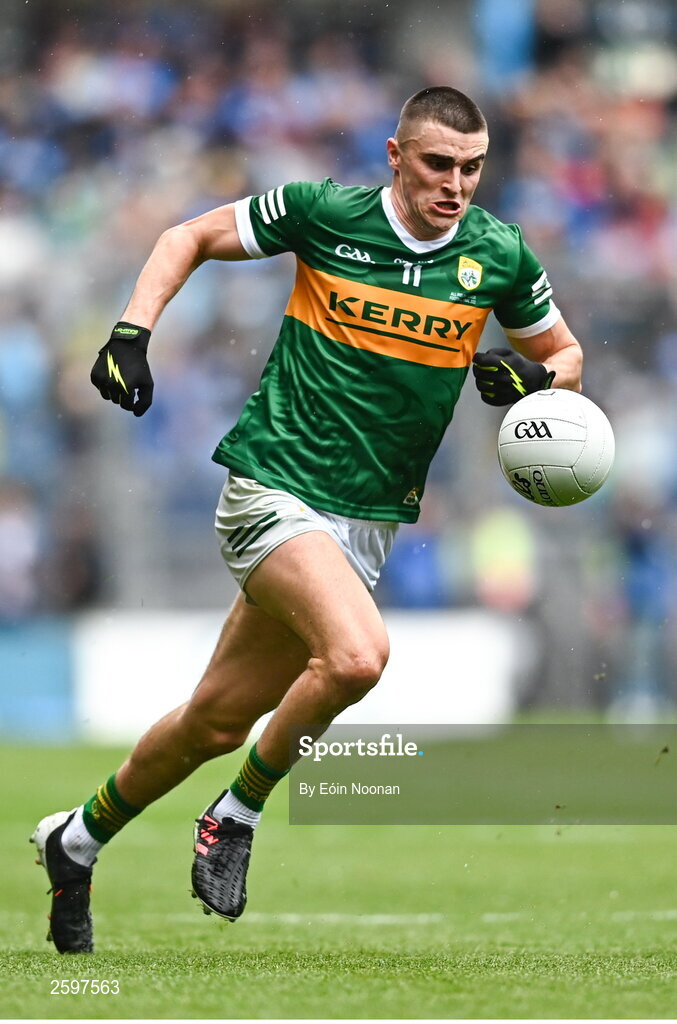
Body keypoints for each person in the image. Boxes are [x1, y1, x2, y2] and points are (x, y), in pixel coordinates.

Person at [31, 86, 583, 953]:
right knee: (359, 656)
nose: (456, 185)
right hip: (273, 485)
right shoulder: (324, 213)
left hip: (364, 523)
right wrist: (132, 331)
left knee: (213, 721)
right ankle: (236, 814)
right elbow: (189, 236)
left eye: (471, 169)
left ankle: (77, 839)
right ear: (396, 157)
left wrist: (535, 381)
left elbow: (564, 355)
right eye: (437, 165)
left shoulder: (499, 255)